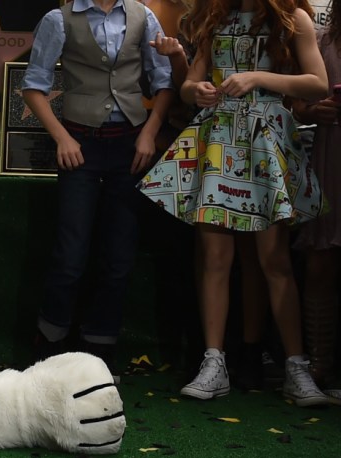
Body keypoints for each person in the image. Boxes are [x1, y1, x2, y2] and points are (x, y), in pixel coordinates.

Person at [138, 0, 330, 406]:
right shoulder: (214, 17)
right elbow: (190, 85)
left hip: (266, 140)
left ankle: (297, 367)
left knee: (274, 259)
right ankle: (214, 362)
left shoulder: (292, 19)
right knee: (214, 258)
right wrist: (198, 90)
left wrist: (258, 77)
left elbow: (317, 83)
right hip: (218, 139)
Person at [22, 0, 175, 378]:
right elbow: (33, 86)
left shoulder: (143, 16)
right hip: (80, 144)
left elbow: (165, 83)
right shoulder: (59, 19)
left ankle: (100, 348)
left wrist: (150, 135)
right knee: (70, 254)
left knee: (119, 257)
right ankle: (50, 345)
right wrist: (62, 138)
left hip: (130, 145)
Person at [292, 0, 341, 400]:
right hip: (331, 159)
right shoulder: (323, 42)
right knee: (320, 261)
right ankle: (319, 365)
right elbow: (298, 103)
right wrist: (316, 110)